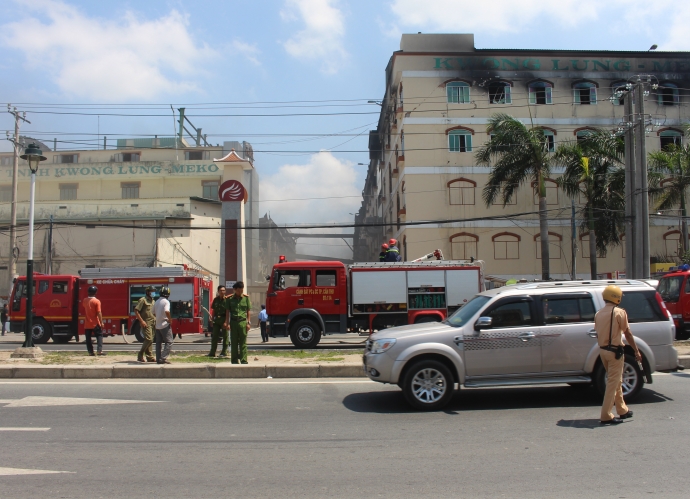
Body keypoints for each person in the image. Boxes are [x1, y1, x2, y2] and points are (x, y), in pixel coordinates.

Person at [595, 285, 642, 425]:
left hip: (603, 351)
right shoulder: (619, 312)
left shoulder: (598, 314)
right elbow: (627, 333)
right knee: (612, 383)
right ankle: (606, 415)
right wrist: (636, 350)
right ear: (617, 297)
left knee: (616, 381)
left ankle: (622, 410)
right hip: (615, 351)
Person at [225, 281, 251, 364]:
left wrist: (248, 323)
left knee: (243, 342)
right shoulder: (229, 299)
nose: (240, 293)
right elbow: (227, 312)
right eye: (239, 291)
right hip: (233, 322)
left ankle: (244, 359)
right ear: (234, 290)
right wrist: (227, 323)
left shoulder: (246, 298)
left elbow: (248, 311)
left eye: (241, 291)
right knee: (234, 342)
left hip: (243, 322)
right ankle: (234, 360)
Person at [135, 286, 157, 363]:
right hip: (146, 322)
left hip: (153, 322)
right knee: (149, 338)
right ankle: (140, 354)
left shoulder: (153, 301)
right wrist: (141, 321)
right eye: (152, 291)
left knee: (151, 340)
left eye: (154, 291)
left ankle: (150, 357)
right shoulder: (143, 300)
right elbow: (136, 310)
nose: (153, 292)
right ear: (148, 292)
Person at [83, 286, 105, 356]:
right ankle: (99, 351)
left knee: (88, 338)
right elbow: (99, 312)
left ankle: (90, 352)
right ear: (95, 292)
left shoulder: (85, 300)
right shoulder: (96, 301)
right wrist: (101, 322)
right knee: (99, 336)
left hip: (87, 323)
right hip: (95, 323)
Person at [208, 285, 230, 358]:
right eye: (221, 290)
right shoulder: (216, 300)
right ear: (218, 291)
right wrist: (212, 319)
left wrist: (226, 322)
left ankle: (224, 352)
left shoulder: (227, 300)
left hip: (224, 319)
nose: (222, 292)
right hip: (217, 319)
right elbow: (214, 310)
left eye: (223, 290)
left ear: (225, 291)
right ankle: (212, 352)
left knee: (225, 336)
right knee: (215, 336)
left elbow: (227, 312)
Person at [154, 286, 173, 364]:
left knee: (158, 343)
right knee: (169, 342)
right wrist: (169, 319)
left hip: (157, 325)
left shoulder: (157, 301)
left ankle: (158, 359)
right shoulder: (166, 302)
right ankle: (163, 358)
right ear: (168, 294)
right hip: (164, 325)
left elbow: (153, 312)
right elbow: (167, 311)